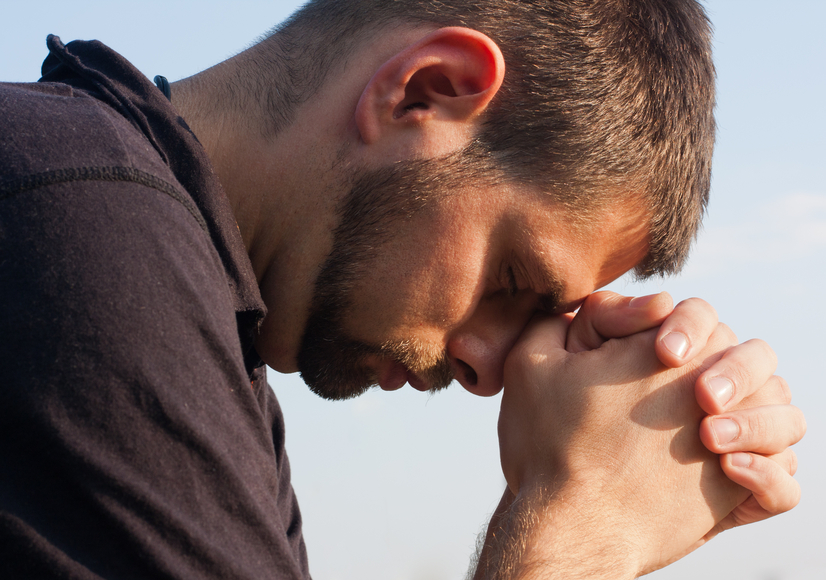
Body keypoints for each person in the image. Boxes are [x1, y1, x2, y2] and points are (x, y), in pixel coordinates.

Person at [0, 0, 805, 578]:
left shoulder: (208, 329)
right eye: (513, 278)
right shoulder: (81, 219)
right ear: (426, 89)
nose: (490, 371)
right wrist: (583, 522)